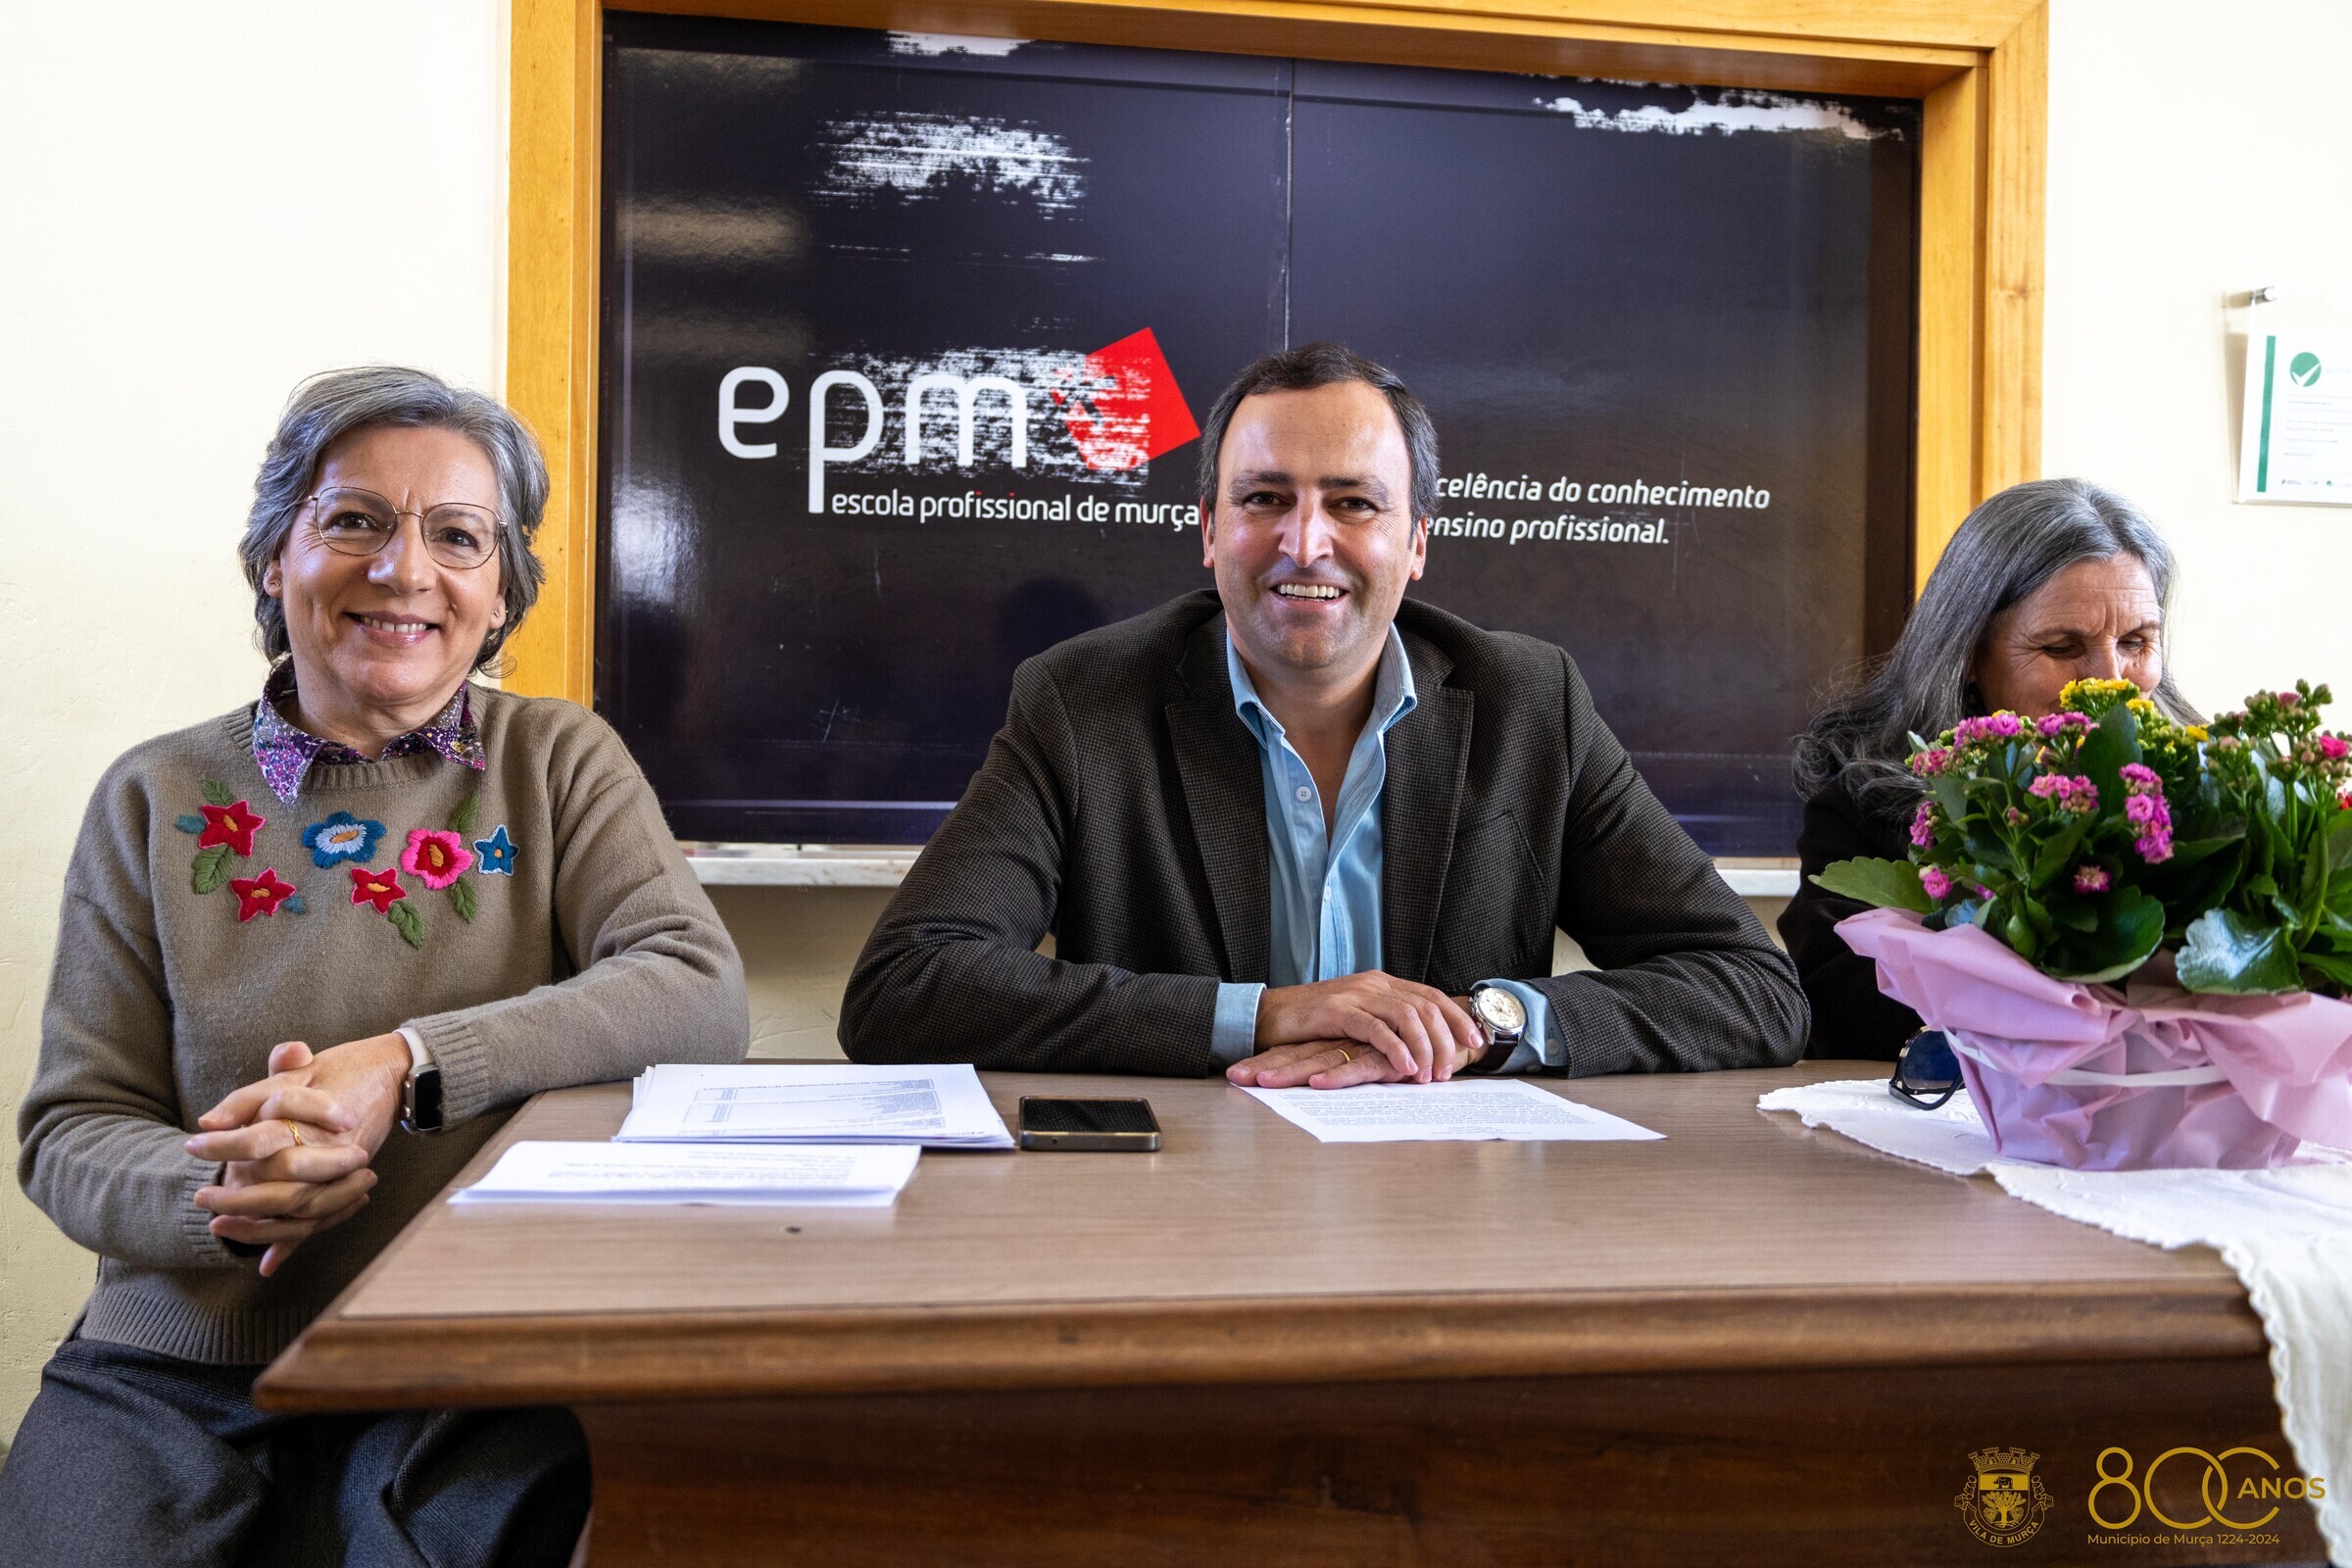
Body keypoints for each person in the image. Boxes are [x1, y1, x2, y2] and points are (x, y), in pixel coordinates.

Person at [0, 367, 750, 1566]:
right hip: (169, 1371)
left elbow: (696, 988)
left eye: (458, 536)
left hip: (469, 1366)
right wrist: (223, 1191)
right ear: (274, 557)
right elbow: (72, 1129)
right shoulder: (153, 793)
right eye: (354, 519)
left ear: (499, 593)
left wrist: (405, 1063)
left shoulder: (557, 759)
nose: (405, 570)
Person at [841, 343, 1804, 1086]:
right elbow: (906, 986)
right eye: (1265, 498)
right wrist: (1266, 1014)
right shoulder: (1086, 702)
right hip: (1184, 1206)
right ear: (1209, 530)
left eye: (1353, 504)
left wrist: (1479, 1026)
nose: (1305, 543)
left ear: (1416, 542)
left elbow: (1752, 988)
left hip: (1452, 1209)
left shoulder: (1527, 703)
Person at [1781, 477, 2197, 1060]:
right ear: (1970, 654)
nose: (2110, 679)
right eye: (2061, 647)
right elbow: (1839, 1007)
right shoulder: (1865, 802)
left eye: (2135, 642)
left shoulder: (2206, 788)